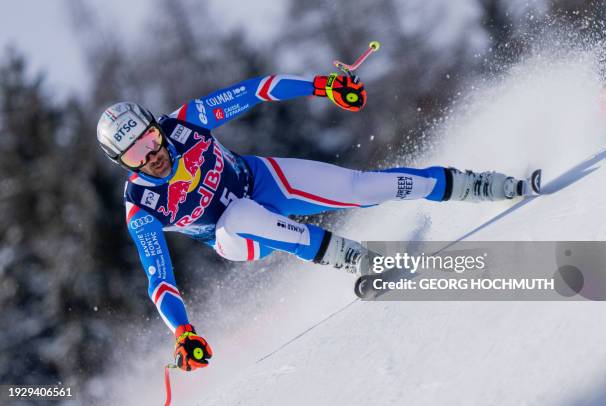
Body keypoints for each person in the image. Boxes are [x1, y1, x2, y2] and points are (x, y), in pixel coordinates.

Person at [97, 74, 536, 371]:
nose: (152, 154)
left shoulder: (185, 123)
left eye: (151, 138)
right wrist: (184, 332)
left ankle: (483, 185)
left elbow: (257, 89)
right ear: (123, 163)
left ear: (157, 126)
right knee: (242, 216)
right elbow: (159, 279)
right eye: (136, 154)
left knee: (362, 189)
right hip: (236, 237)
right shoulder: (142, 206)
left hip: (262, 179)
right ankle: (359, 260)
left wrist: (322, 85)